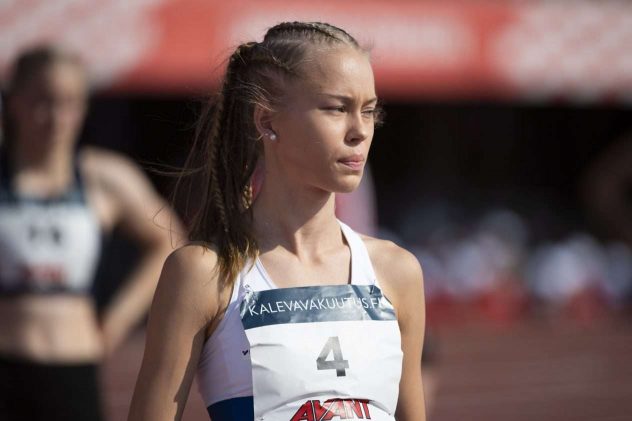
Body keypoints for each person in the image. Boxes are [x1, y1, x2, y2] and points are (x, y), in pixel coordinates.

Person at [128, 21, 426, 421]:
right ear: (267, 121)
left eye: (369, 111)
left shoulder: (397, 271)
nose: (359, 131)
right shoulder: (204, 273)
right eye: (337, 108)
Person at [0, 46, 182, 420]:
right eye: (42, 101)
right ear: (15, 102)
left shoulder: (104, 178)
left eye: (69, 103)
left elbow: (170, 240)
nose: (56, 118)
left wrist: (116, 321)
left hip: (74, 369)